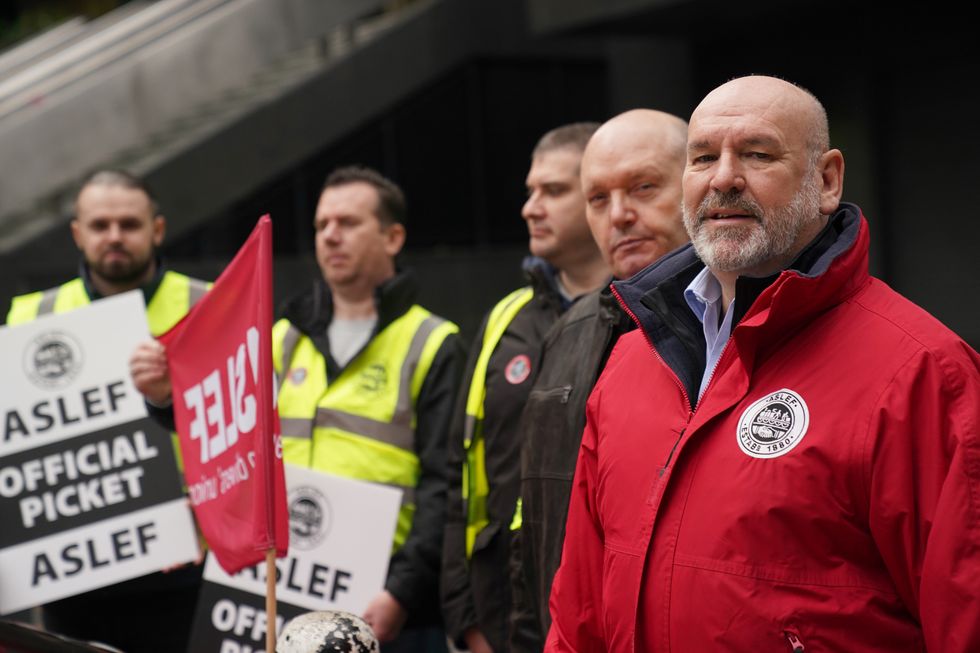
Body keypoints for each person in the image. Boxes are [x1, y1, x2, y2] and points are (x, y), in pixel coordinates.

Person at [545, 75, 980, 652]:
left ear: (825, 180)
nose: (723, 177)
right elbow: (580, 614)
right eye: (703, 158)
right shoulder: (631, 359)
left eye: (757, 153)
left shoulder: (924, 372)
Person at [132, 165, 463, 652]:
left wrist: (402, 592)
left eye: (348, 223)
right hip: (278, 596)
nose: (330, 236)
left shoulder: (433, 343)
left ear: (392, 237)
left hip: (388, 608)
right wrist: (163, 394)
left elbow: (447, 484)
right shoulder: (282, 337)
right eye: (321, 225)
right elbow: (220, 431)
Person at [5, 169, 210, 653]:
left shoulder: (209, 306)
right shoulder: (32, 317)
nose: (114, 237)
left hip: (186, 570)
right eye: (100, 226)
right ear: (78, 233)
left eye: (129, 224)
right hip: (73, 574)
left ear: (157, 230)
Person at [507, 110, 689, 652]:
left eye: (644, 187)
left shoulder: (746, 330)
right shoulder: (570, 332)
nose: (619, 215)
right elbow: (534, 522)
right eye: (597, 199)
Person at [441, 123, 609, 653]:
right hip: (498, 617)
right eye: (530, 191)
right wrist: (465, 618)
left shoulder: (650, 316)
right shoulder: (505, 319)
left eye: (553, 191)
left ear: (600, 196)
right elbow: (461, 475)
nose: (530, 208)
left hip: (598, 609)